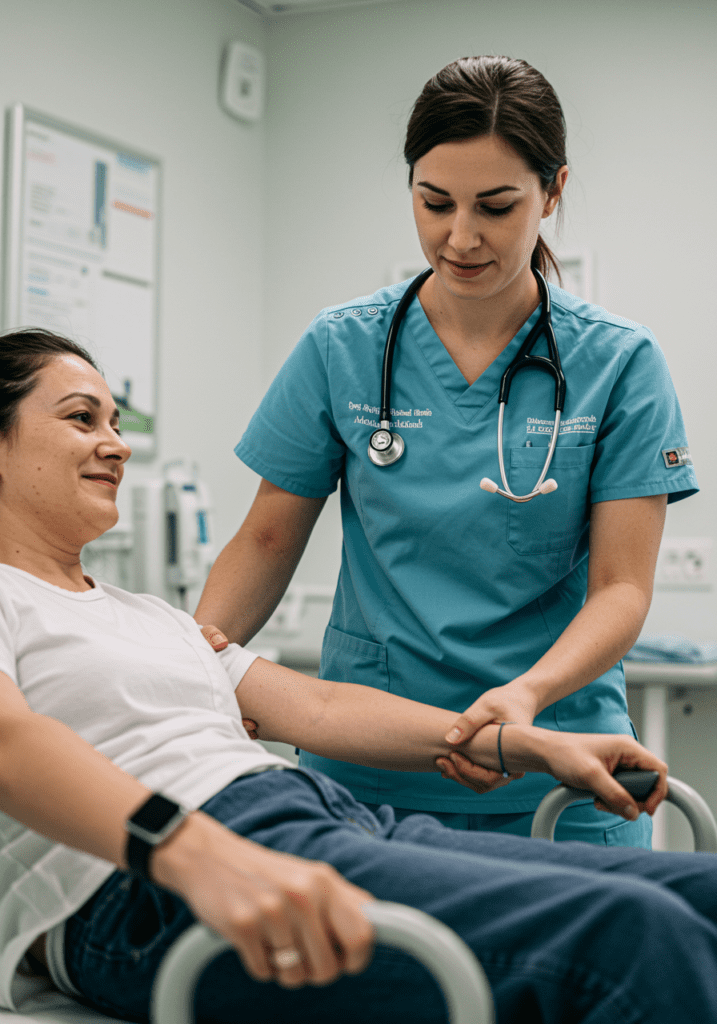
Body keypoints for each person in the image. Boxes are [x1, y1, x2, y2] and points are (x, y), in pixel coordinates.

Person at [1, 328, 717, 1024]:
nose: (117, 444)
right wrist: (188, 852)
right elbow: (9, 743)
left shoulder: (148, 615)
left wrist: (524, 744)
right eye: (80, 418)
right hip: (146, 875)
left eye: (115, 422)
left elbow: (315, 708)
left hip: (314, 814)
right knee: (631, 936)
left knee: (701, 892)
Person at [195, 55, 698, 849]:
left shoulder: (619, 363)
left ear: (552, 192)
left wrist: (523, 700)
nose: (458, 236)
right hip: (370, 763)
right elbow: (266, 536)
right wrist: (186, 667)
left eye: (495, 207)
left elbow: (620, 590)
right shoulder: (343, 347)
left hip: (558, 766)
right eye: (434, 203)